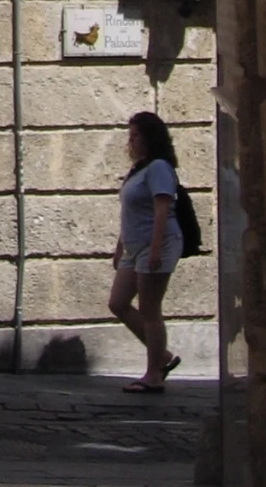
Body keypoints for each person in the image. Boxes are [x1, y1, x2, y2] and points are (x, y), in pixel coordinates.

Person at [109, 110, 184, 391]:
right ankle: (161, 355)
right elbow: (130, 211)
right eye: (130, 136)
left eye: (136, 135)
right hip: (133, 246)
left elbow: (161, 208)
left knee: (150, 309)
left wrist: (154, 249)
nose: (132, 141)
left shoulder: (159, 168)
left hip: (159, 244)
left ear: (150, 136)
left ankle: (153, 374)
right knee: (118, 302)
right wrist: (119, 246)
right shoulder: (138, 169)